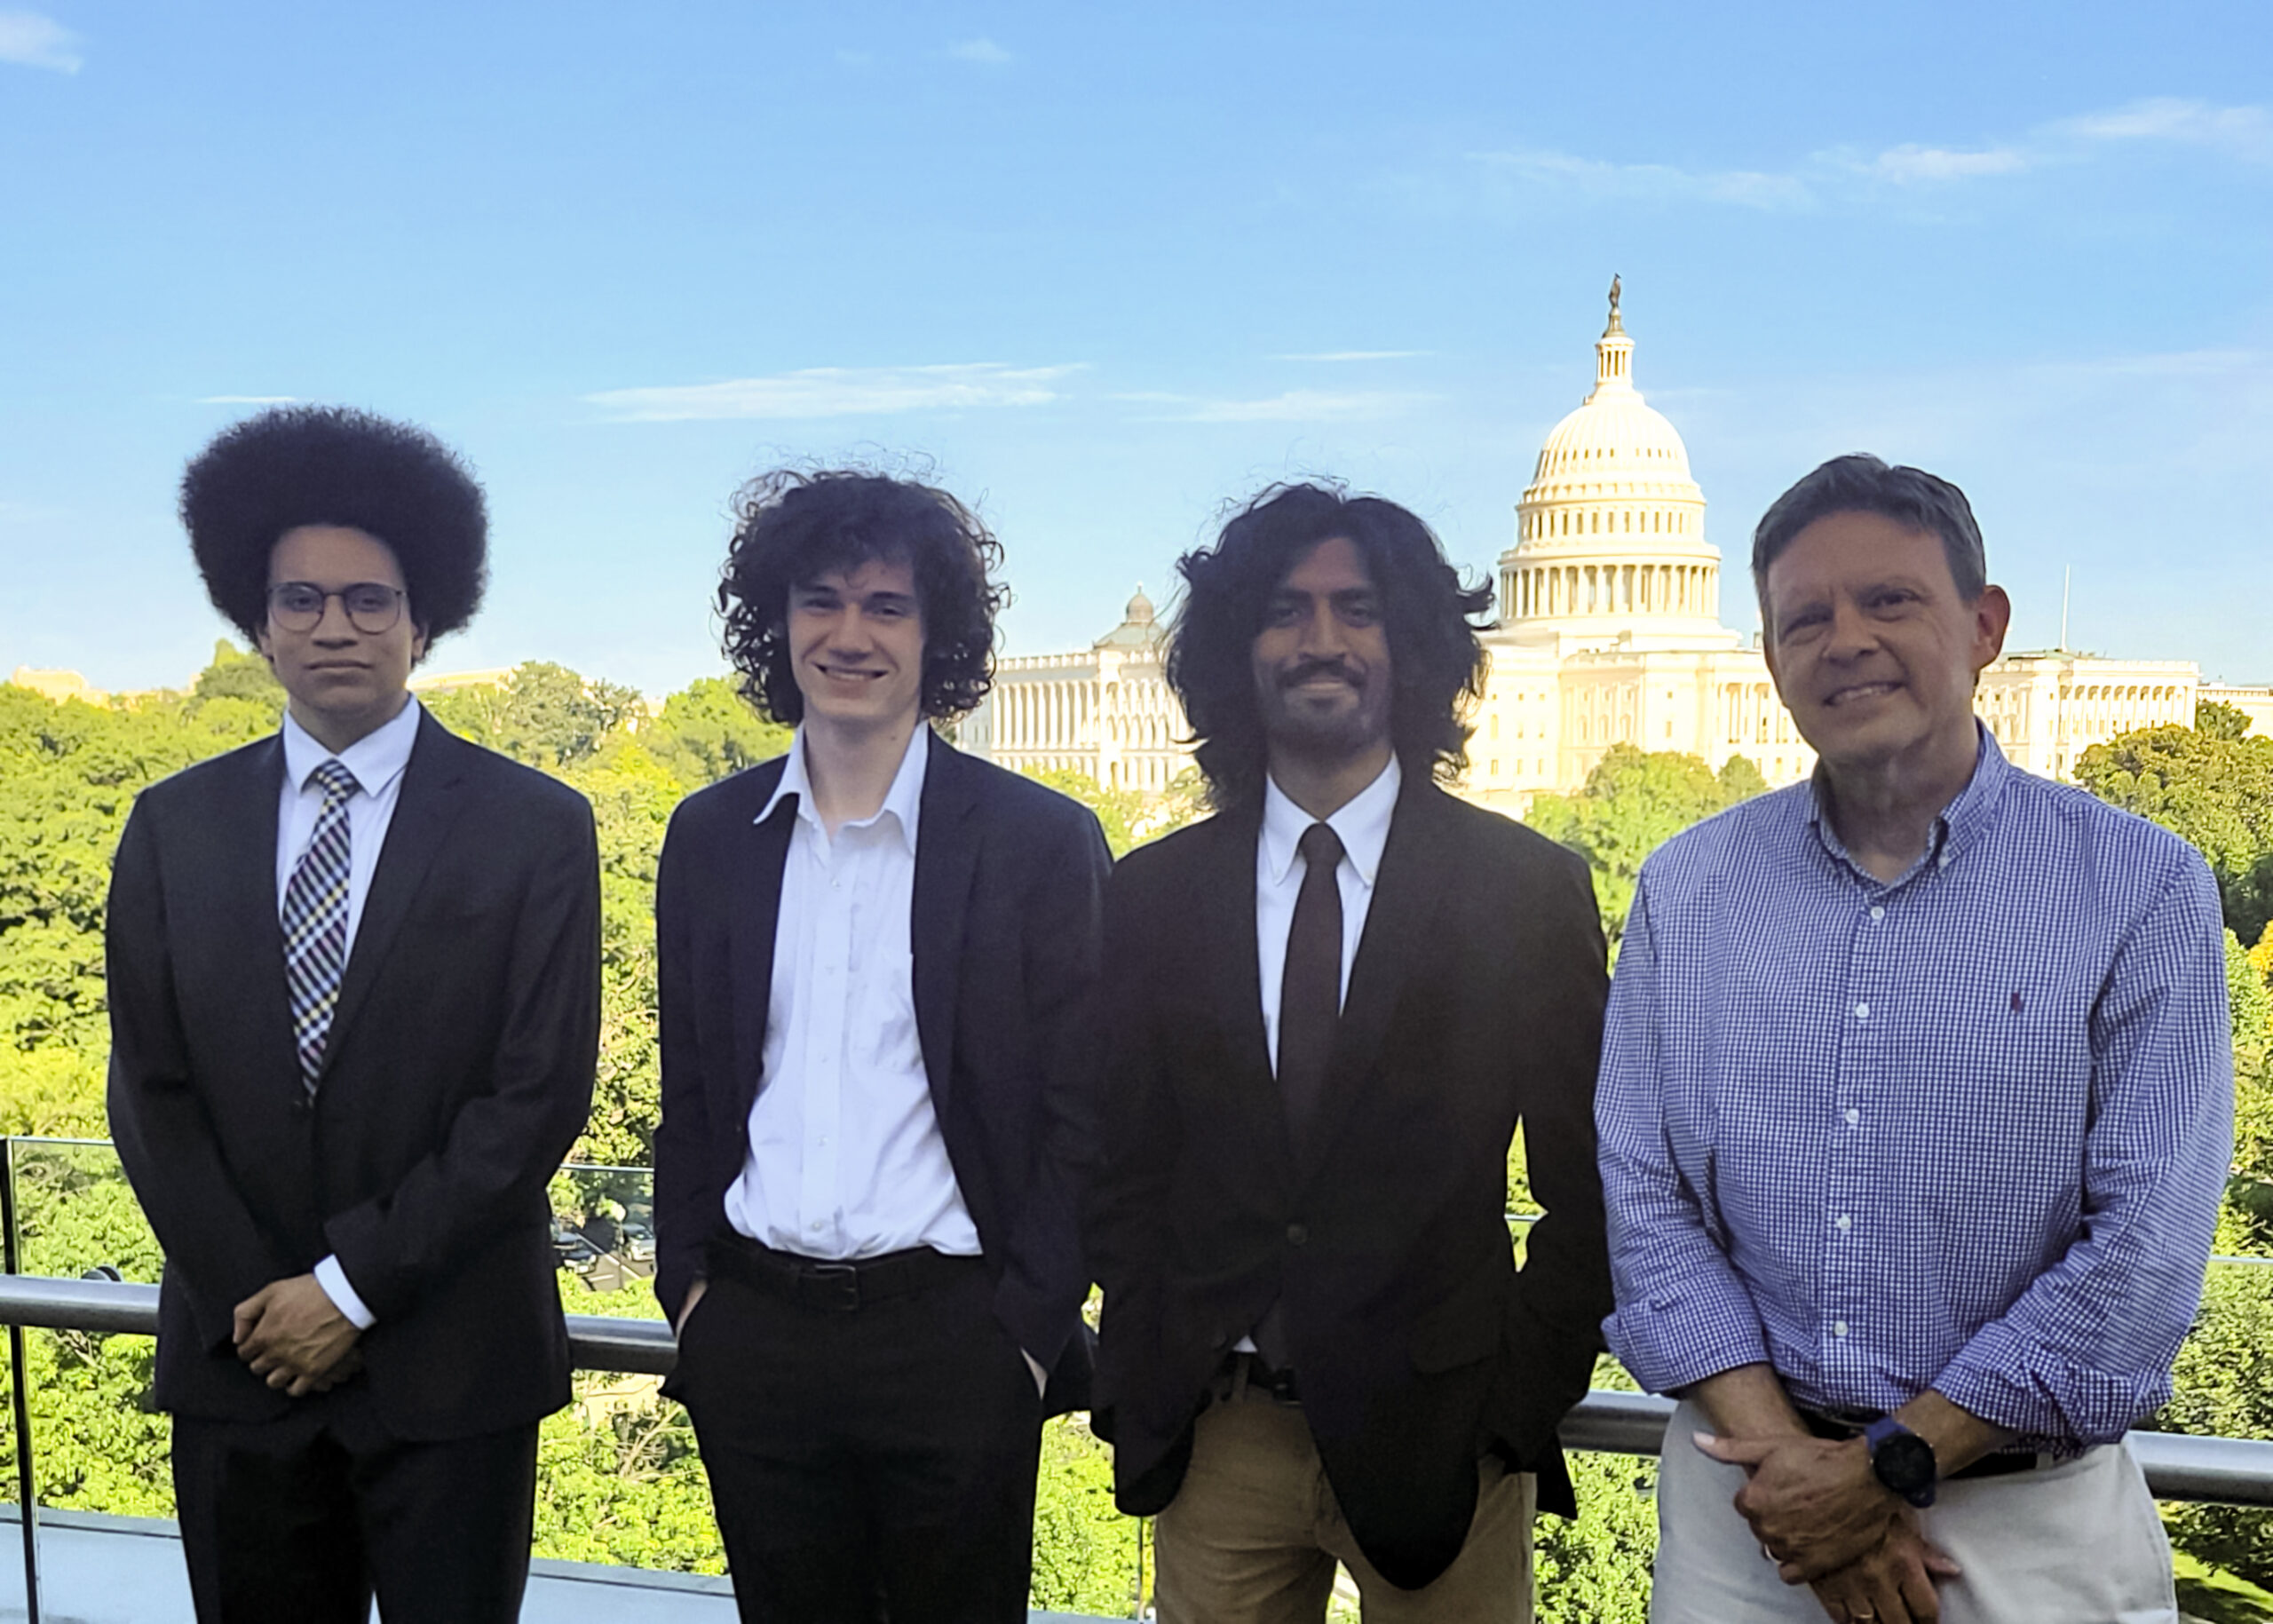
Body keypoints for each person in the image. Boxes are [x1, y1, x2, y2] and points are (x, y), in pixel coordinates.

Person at [1596, 454, 2232, 1624]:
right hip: (1753, 1512)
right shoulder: (1688, 889)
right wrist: (1799, 1476)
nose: (1845, 639)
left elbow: (2142, 1252)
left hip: (2025, 1521)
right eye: (1806, 616)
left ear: (1985, 626)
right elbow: (1646, 1203)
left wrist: (1890, 1465)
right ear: (1771, 656)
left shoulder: (2140, 886)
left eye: (1890, 600)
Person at [107, 406, 601, 1622]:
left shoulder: (535, 826)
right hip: (243, 1365)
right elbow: (151, 1096)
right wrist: (263, 1302)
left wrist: (351, 1287)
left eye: (370, 599)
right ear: (258, 624)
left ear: (424, 620)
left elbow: (532, 1098)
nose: (336, 625)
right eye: (303, 600)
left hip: (452, 1377)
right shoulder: (172, 829)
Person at [1086, 482, 1612, 1622]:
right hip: (1219, 1433)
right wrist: (1144, 1365)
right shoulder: (1153, 896)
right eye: (1285, 609)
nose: (1320, 639)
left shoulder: (1526, 893)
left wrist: (1517, 1406)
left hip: (1447, 1442)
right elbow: (1122, 1163)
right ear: (1239, 647)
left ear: (1413, 645)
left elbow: (1589, 1187)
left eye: (1356, 608)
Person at [652, 469, 1111, 1622]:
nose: (848, 634)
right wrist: (691, 1299)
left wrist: (1026, 1342)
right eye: (820, 600)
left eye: (887, 606)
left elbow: (1088, 1111)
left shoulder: (1040, 844)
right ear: (779, 619)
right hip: (753, 1337)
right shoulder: (709, 839)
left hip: (956, 1345)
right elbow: (694, 1090)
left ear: (936, 632)